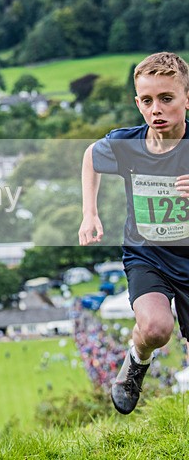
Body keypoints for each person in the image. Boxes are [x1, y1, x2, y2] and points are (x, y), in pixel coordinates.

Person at [79, 51, 189, 415]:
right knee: (156, 328)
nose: (156, 108)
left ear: (187, 98)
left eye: (166, 98)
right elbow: (90, 156)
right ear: (137, 103)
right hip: (149, 255)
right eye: (146, 100)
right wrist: (89, 214)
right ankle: (136, 363)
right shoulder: (127, 144)